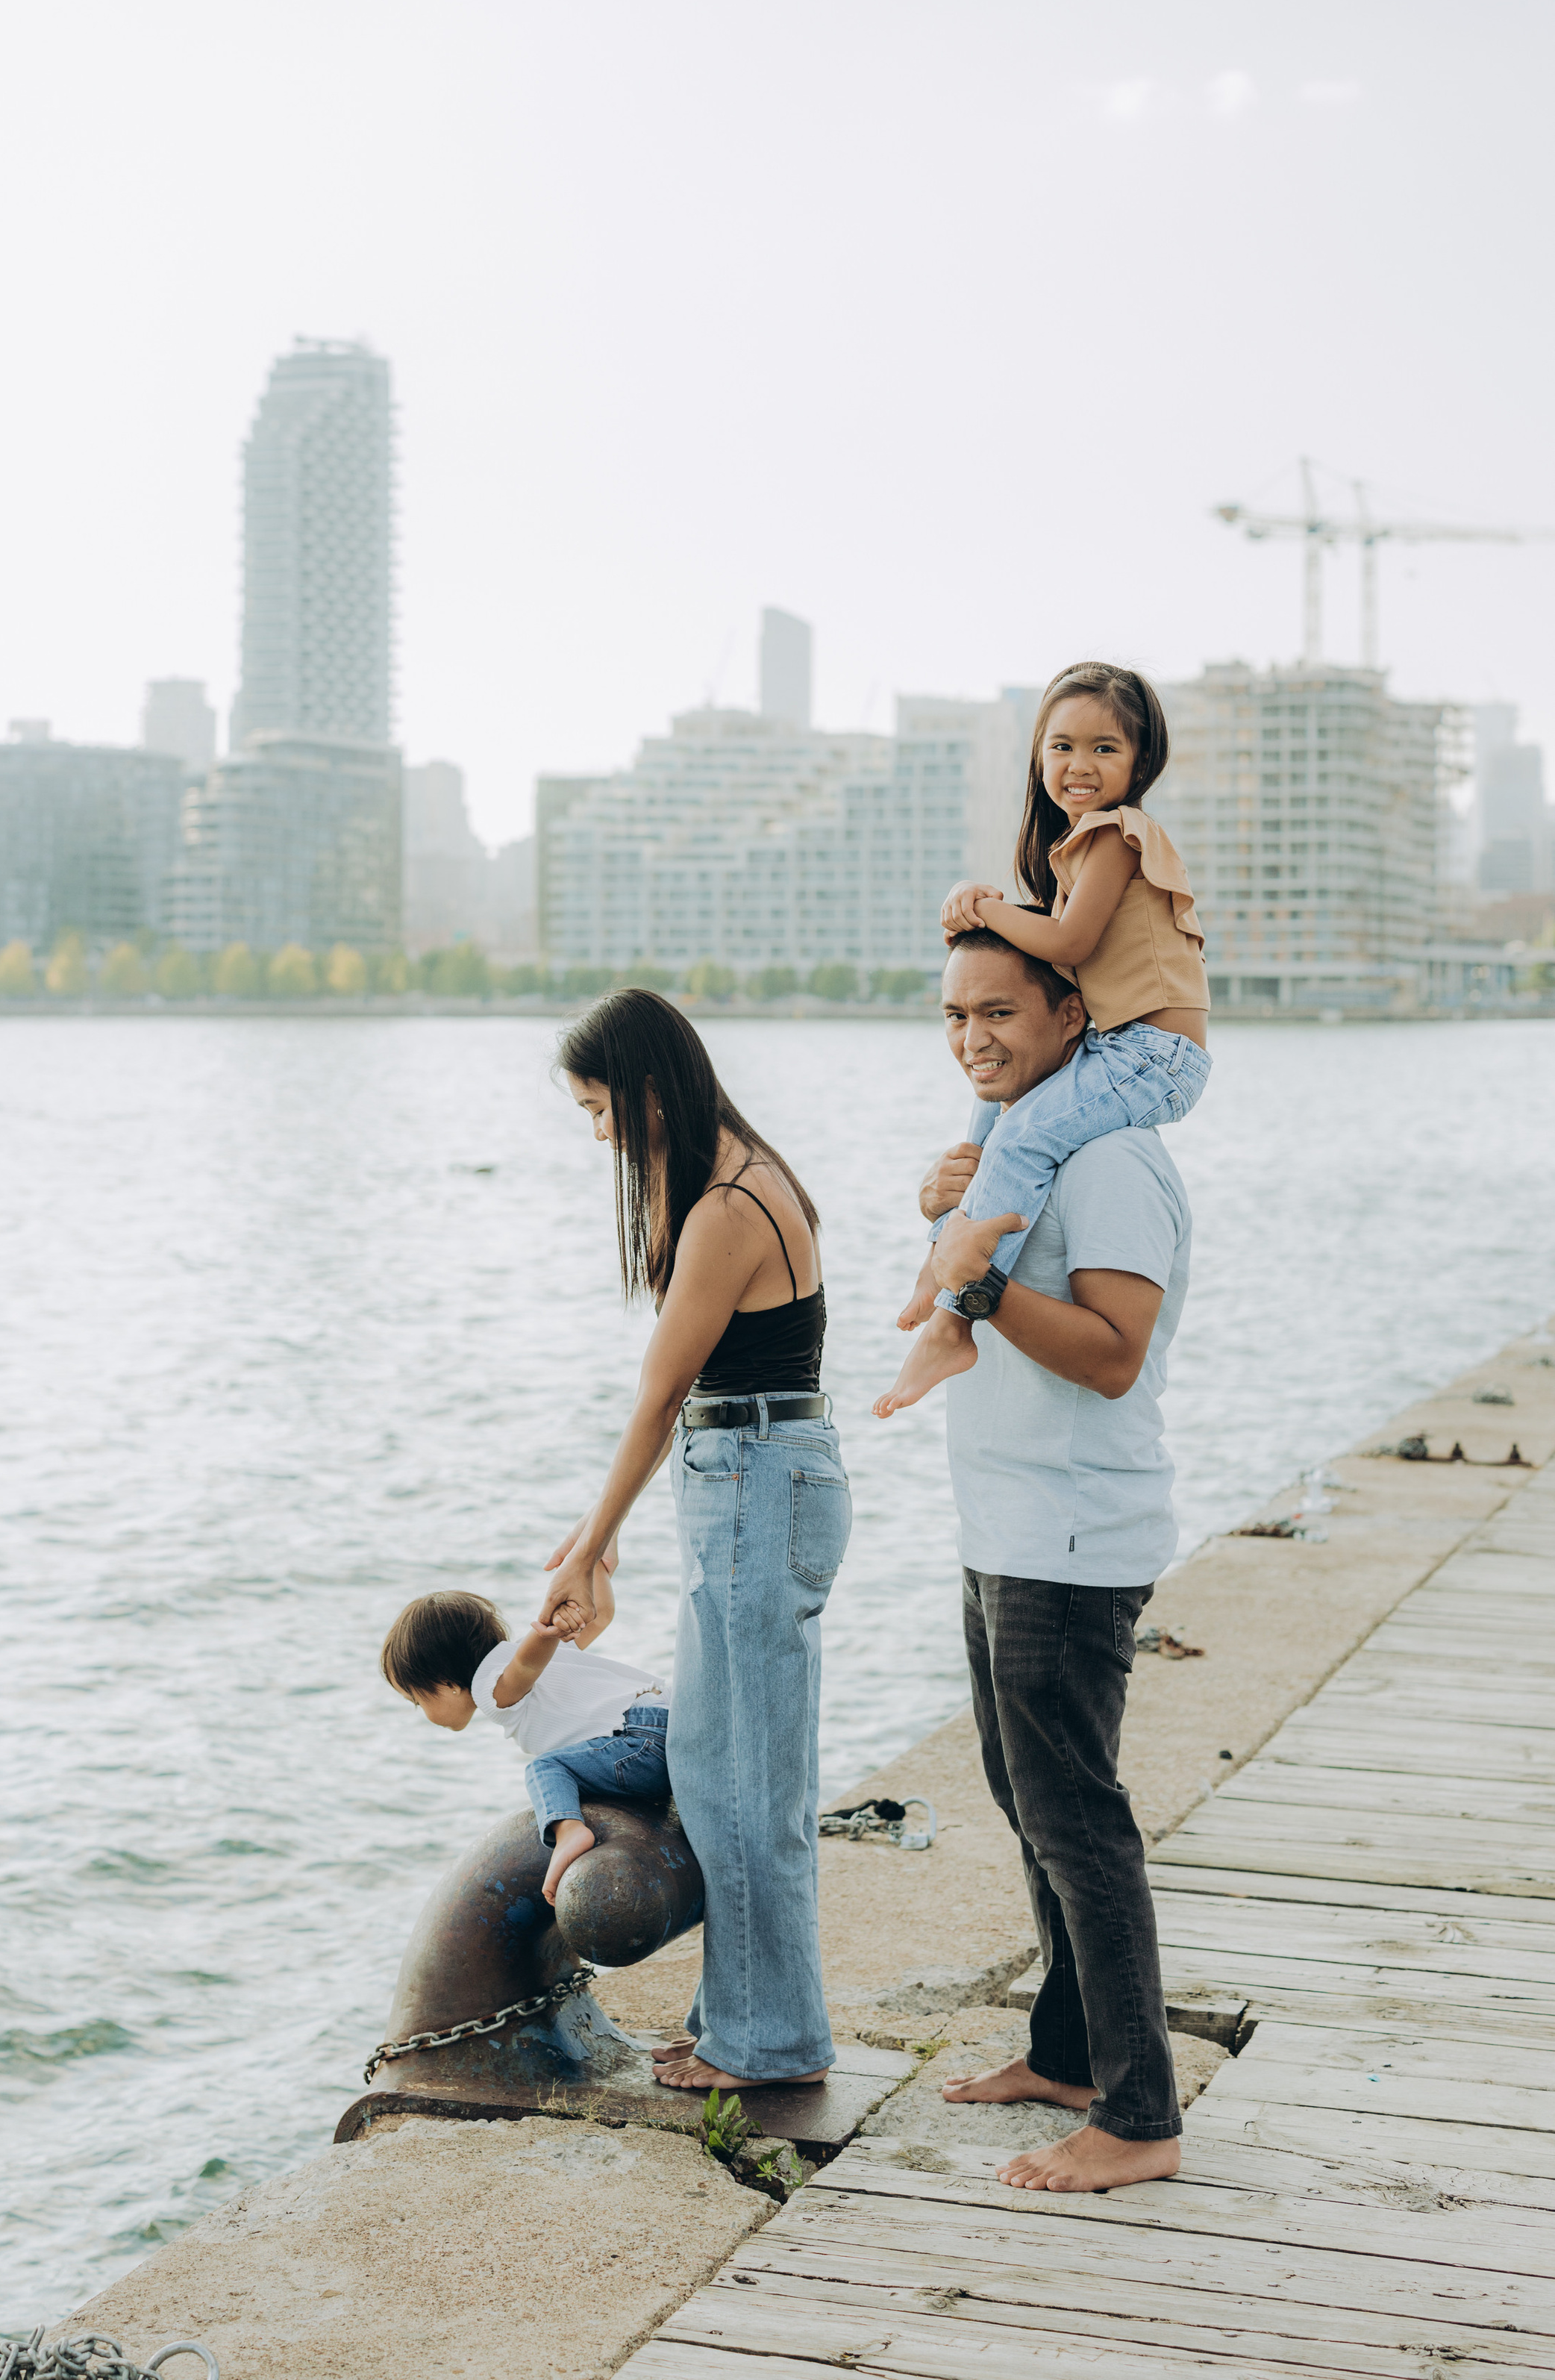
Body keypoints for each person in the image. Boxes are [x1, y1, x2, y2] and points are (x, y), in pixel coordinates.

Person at [911, 926, 1192, 2190]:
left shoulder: (1115, 1158)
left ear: (1075, 1015)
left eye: (999, 1013)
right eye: (956, 1016)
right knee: (1032, 1806)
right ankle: (1069, 2054)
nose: (974, 1037)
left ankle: (1138, 2119)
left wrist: (974, 1284)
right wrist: (959, 1230)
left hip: (1072, 1539)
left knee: (1080, 1824)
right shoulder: (1021, 1151)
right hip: (1009, 1527)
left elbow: (1113, 1350)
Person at [537, 987, 849, 2095]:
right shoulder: (743, 1171)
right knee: (720, 1767)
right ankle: (741, 2021)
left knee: (743, 1782)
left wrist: (593, 1546)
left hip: (754, 1480)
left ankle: (769, 2043)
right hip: (755, 1473)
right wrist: (598, 1533)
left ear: (645, 1085)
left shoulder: (728, 1205)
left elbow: (661, 1394)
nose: (599, 1131)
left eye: (598, 1106)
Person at [875, 661, 1209, 1419]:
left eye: (1103, 750)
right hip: (1116, 1049)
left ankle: (955, 1315)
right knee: (988, 1121)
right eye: (1061, 748)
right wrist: (984, 903)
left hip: (1153, 1057)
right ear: (1037, 758)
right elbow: (1054, 942)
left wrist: (986, 909)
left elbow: (1067, 941)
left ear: (1139, 762)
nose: (1079, 767)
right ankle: (941, 1254)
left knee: (1021, 1133)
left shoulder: (1119, 836)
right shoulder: (1074, 849)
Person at [380, 1586, 669, 1905]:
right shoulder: (551, 1656)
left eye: (417, 1701)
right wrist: (596, 1564)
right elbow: (599, 1616)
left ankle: (569, 1830)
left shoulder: (493, 1691)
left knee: (545, 1768)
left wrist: (548, 1628)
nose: (422, 1712)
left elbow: (526, 1666)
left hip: (641, 1744)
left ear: (446, 1684)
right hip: (671, 1724)